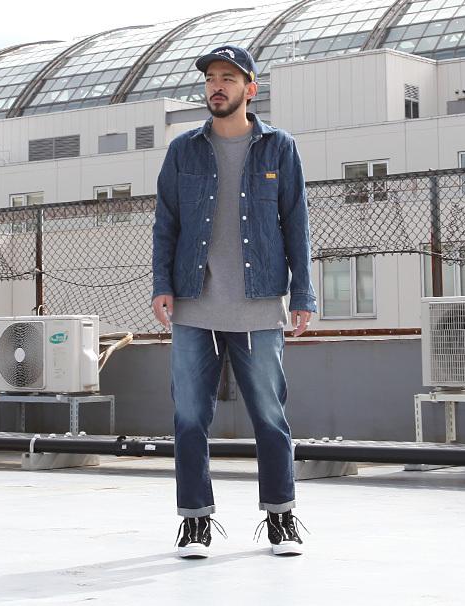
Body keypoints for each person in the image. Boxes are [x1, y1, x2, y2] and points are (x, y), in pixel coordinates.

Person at [152, 45, 316, 558]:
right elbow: (165, 223)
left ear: (250, 89)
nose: (216, 86)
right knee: (188, 418)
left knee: (270, 415)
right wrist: (161, 284)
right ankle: (195, 523)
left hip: (259, 304)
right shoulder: (183, 150)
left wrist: (303, 292)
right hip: (193, 304)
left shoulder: (279, 148)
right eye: (210, 79)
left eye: (227, 78)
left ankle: (281, 518)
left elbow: (296, 222)